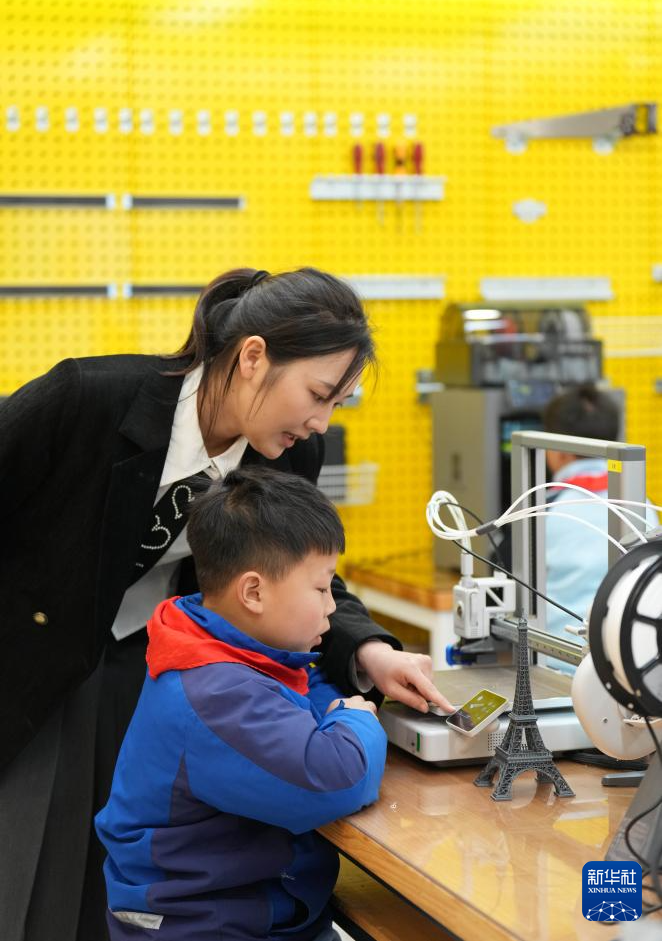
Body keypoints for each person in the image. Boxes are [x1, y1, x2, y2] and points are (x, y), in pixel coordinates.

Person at [0, 266, 452, 941]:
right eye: (318, 394)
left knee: (124, 881)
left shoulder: (289, 455)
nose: (320, 422)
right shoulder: (88, 399)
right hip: (32, 665)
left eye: (337, 403)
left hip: (155, 668)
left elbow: (303, 577)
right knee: (32, 876)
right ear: (252, 357)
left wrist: (370, 649)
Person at [96, 466, 387, 941]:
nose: (332, 606)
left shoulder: (223, 645)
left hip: (256, 906)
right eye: (321, 588)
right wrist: (356, 719)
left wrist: (339, 711)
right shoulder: (214, 693)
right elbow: (336, 778)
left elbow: (306, 686)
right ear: (253, 592)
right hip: (203, 927)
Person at [542, 383, 657, 669]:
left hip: (558, 667)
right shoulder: (643, 505)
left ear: (558, 451)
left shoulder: (542, 510)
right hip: (632, 668)